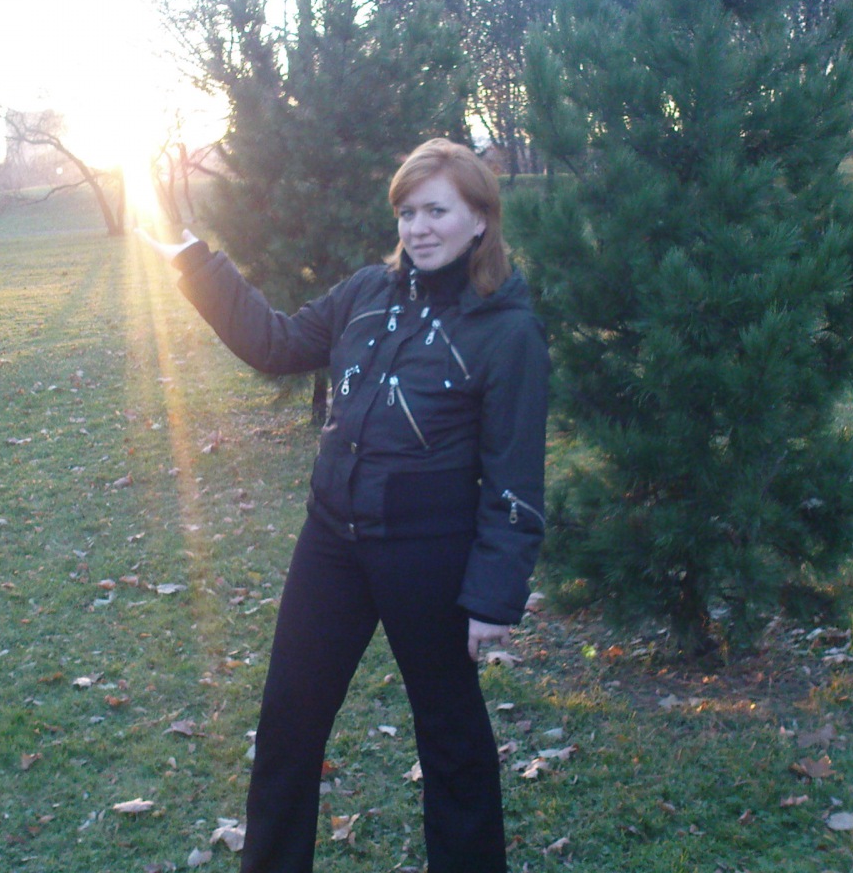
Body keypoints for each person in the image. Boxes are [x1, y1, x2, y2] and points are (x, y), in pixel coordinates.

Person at [142, 137, 549, 873]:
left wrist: (494, 593)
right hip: (332, 543)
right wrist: (195, 261)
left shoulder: (506, 330)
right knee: (287, 724)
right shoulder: (367, 292)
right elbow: (276, 344)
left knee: (451, 739)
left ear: (480, 219)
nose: (418, 228)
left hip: (428, 556)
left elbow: (514, 476)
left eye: (436, 211)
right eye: (407, 212)